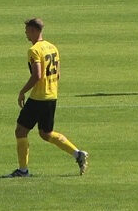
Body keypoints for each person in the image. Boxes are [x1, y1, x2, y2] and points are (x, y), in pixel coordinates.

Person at [9, 17, 88, 178]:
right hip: (52, 96)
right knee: (46, 133)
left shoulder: (34, 50)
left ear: (34, 30)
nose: (25, 34)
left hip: (38, 98)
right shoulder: (52, 47)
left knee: (20, 131)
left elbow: (37, 75)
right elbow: (58, 74)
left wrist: (22, 91)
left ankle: (23, 170)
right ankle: (77, 154)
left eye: (27, 31)